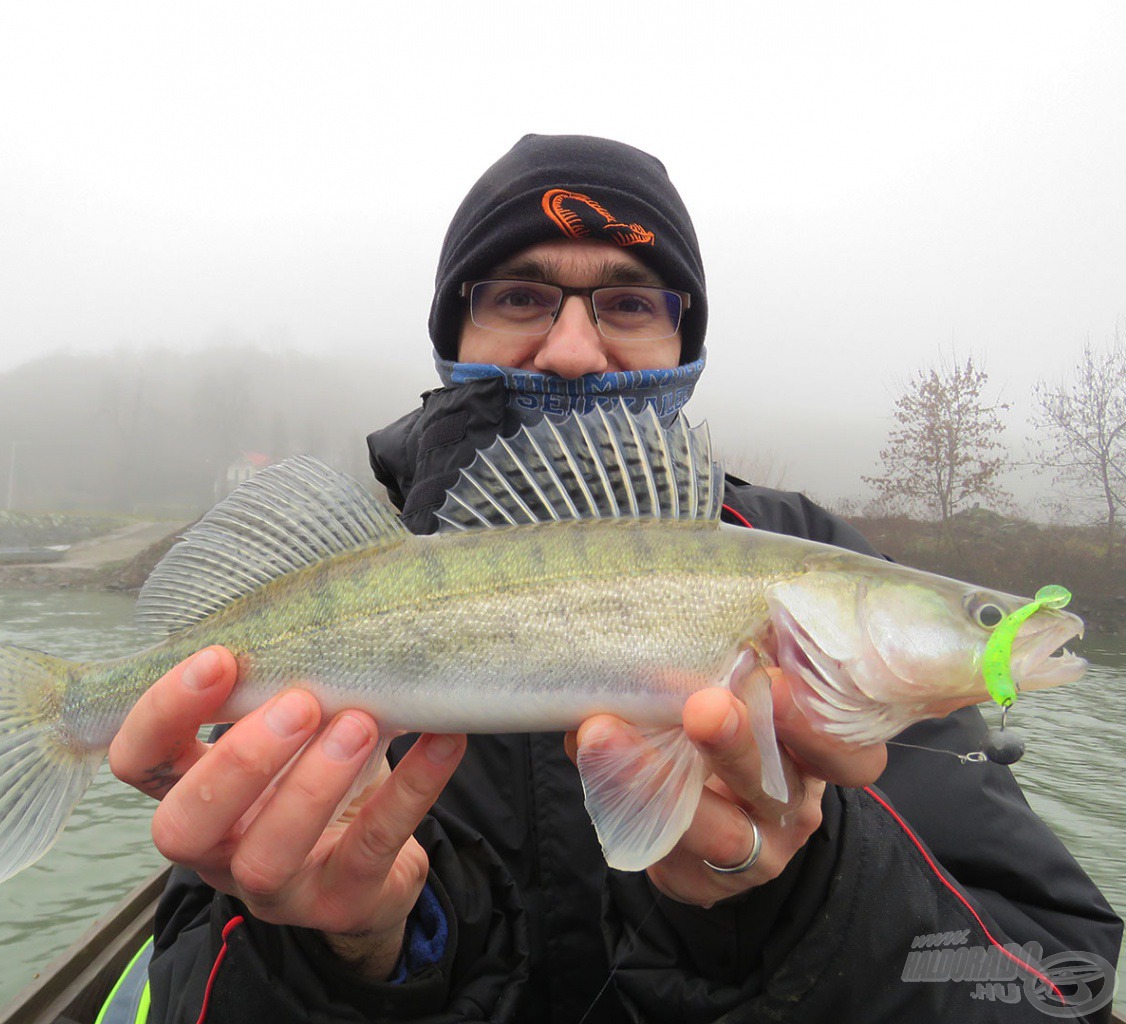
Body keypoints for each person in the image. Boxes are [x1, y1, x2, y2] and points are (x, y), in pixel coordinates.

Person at [109, 135, 1121, 1023]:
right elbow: (193, 980)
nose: (570, 348)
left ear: (684, 341)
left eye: (628, 302)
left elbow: (1054, 979)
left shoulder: (808, 561)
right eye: (518, 295)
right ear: (452, 334)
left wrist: (792, 898)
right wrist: (355, 945)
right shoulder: (353, 556)